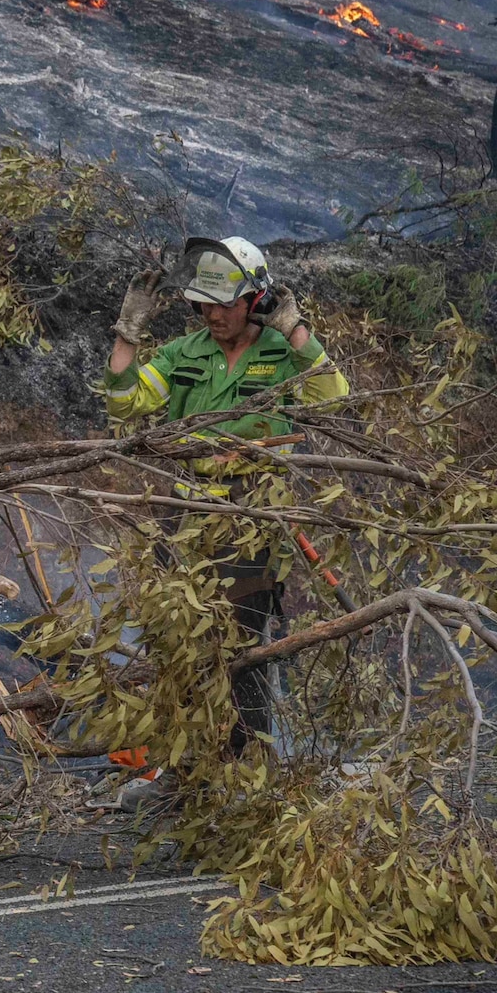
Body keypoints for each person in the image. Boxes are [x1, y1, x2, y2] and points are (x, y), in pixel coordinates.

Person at [103, 235, 348, 754]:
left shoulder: (282, 354)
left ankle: (247, 768)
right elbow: (124, 405)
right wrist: (128, 333)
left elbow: (333, 398)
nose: (212, 315)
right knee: (172, 638)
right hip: (186, 509)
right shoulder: (181, 354)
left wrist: (296, 331)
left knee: (240, 651)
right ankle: (179, 769)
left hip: (251, 519)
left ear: (255, 301)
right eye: (203, 304)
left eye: (225, 304)